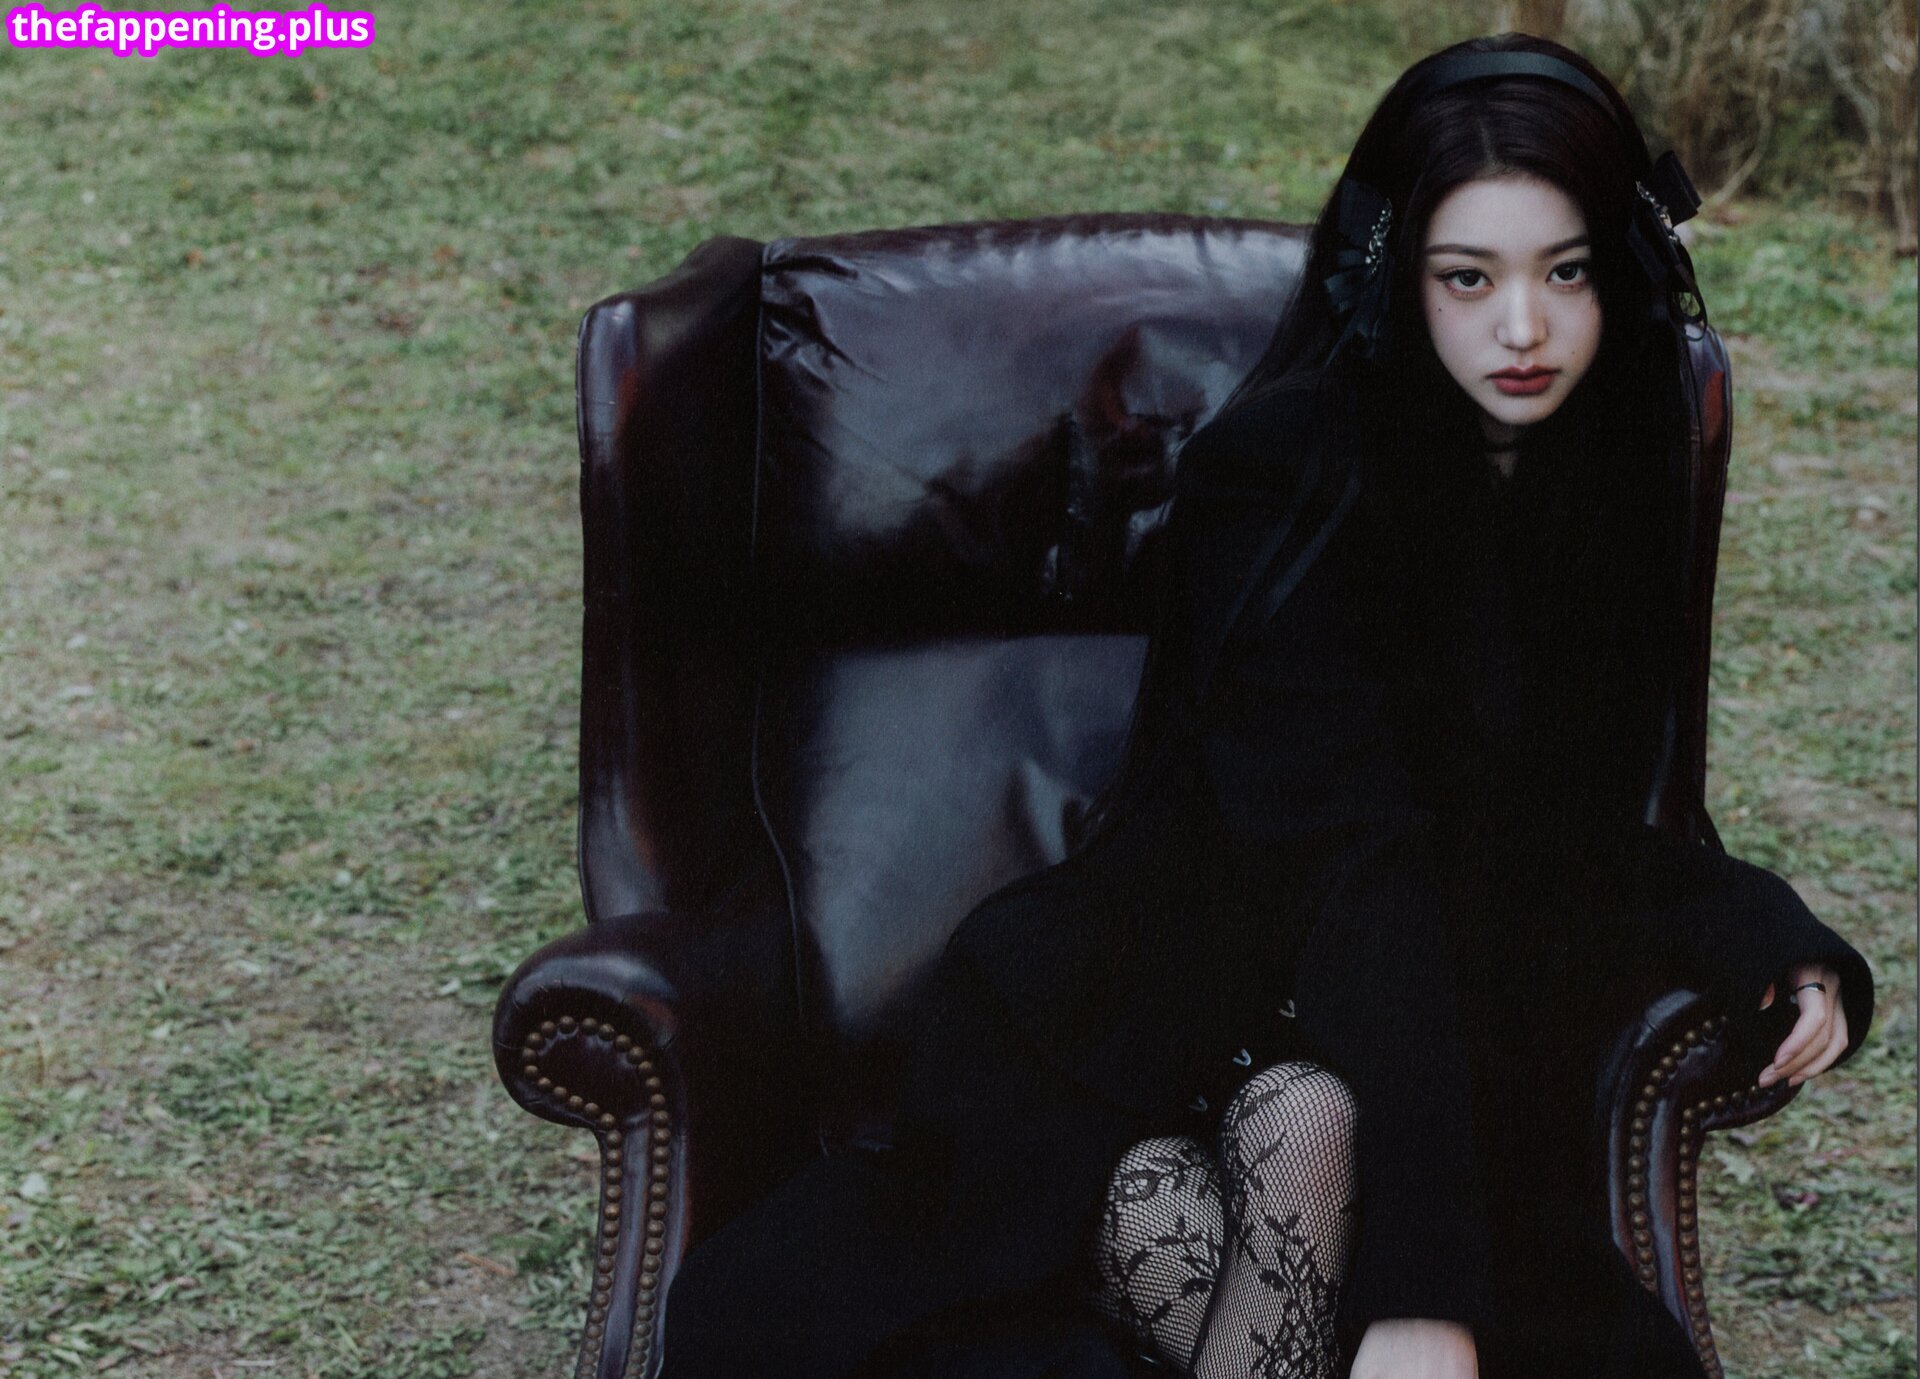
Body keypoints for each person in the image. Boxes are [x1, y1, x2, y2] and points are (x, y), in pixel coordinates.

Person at [659, 34, 1876, 1379]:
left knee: (1328, 1146)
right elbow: (1359, 863)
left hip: (1374, 1058)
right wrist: (1422, 1293)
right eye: (1468, 277)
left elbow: (1547, 829)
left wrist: (1762, 931)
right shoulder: (1283, 471)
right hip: (1143, 1033)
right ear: (1396, 278)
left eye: (1567, 271)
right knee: (1294, 1143)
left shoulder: (1590, 480)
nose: (1524, 328)